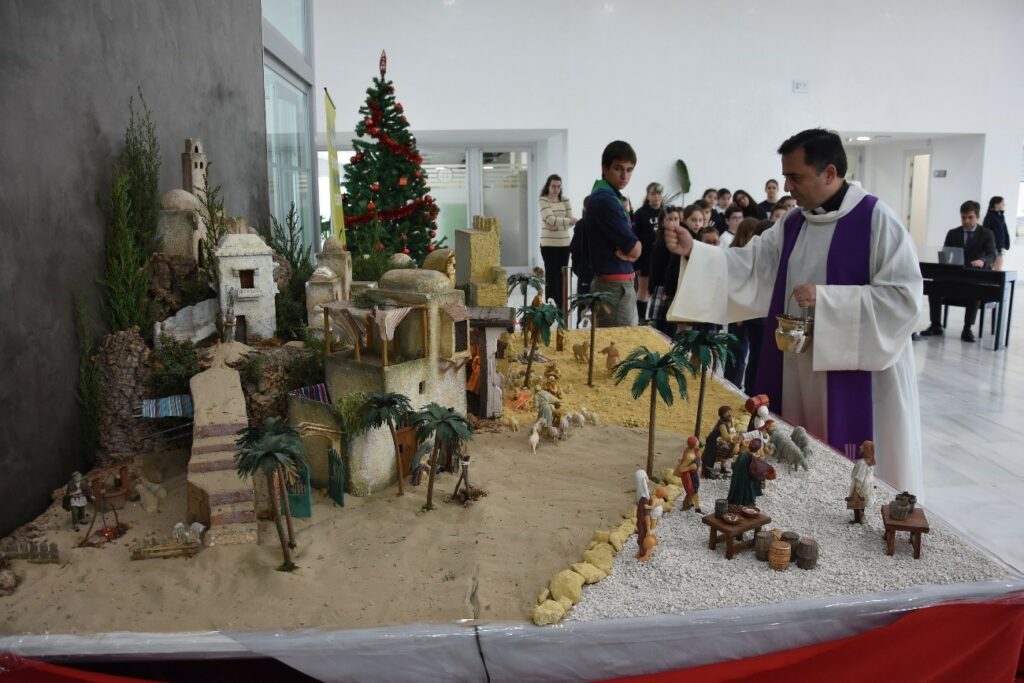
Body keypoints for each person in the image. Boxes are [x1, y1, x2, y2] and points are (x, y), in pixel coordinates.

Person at [663, 127, 924, 497]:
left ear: (829, 173)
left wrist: (829, 299)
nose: (787, 187)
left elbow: (905, 300)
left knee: (854, 464)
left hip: (858, 372)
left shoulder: (878, 220)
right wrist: (696, 251)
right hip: (798, 366)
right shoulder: (794, 222)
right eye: (785, 175)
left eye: (795, 176)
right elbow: (750, 265)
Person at [919, 200, 997, 342]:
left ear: (977, 217)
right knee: (934, 285)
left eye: (970, 217)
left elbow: (992, 254)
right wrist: (944, 258)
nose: (966, 221)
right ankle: (936, 325)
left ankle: (967, 328)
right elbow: (945, 253)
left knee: (975, 288)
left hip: (974, 277)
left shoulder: (986, 234)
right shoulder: (953, 233)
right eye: (963, 217)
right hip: (955, 276)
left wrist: (983, 261)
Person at [587, 141, 640, 327]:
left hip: (617, 284)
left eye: (629, 169)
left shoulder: (611, 196)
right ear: (605, 167)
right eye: (618, 168)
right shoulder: (604, 200)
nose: (624, 176)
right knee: (619, 350)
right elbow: (635, 249)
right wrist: (633, 251)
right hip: (614, 288)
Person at [539, 174, 577, 316]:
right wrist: (567, 222)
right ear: (548, 186)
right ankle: (550, 307)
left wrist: (557, 224)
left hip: (564, 244)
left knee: (562, 276)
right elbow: (549, 218)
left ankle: (561, 308)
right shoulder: (543, 200)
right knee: (551, 276)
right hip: (548, 244)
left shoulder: (565, 200)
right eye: (553, 186)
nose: (556, 189)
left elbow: (570, 220)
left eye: (558, 186)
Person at [648, 206, 683, 336]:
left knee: (671, 329)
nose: (673, 222)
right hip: (664, 290)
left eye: (676, 219)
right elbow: (655, 268)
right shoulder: (663, 242)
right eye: (669, 219)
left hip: (672, 288)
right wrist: (655, 288)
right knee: (664, 332)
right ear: (662, 223)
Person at [632, 183, 663, 322]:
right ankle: (641, 319)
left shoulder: (666, 212)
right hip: (645, 258)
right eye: (653, 194)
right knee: (643, 289)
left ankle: (657, 318)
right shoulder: (640, 213)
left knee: (660, 289)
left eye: (658, 194)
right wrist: (636, 262)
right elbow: (635, 237)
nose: (656, 197)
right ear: (647, 195)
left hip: (662, 258)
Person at [983, 195, 1010, 270]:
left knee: (998, 265)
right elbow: (986, 232)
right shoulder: (989, 217)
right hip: (994, 246)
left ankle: (994, 280)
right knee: (995, 266)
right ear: (996, 204)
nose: (1004, 204)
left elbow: (1004, 230)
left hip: (1000, 245)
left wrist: (1006, 242)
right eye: (1002, 203)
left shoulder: (1001, 216)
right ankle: (993, 280)